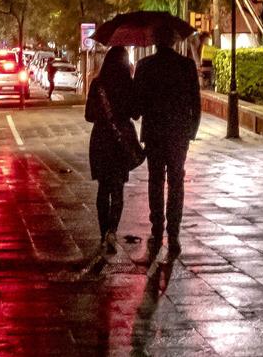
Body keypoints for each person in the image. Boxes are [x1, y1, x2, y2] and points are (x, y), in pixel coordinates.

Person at [133, 24, 201, 255]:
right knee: (176, 181)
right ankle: (173, 233)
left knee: (155, 181)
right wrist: (191, 131)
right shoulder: (186, 65)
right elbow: (196, 103)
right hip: (179, 134)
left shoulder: (145, 66)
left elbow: (137, 108)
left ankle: (157, 228)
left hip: (154, 133)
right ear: (173, 41)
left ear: (154, 41)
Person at [84, 48, 140, 256]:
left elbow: (89, 116)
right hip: (120, 142)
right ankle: (112, 231)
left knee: (103, 188)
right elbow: (135, 114)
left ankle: (102, 233)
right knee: (117, 189)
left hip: (101, 140)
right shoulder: (128, 85)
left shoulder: (97, 84)